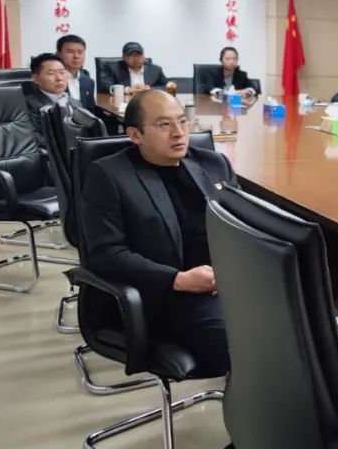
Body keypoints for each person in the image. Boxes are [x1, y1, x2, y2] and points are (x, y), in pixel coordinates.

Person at [80, 89, 237, 377]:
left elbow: (242, 225)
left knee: (310, 323)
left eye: (182, 121)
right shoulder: (108, 175)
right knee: (250, 341)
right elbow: (106, 254)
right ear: (134, 134)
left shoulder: (214, 164)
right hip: (168, 296)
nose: (178, 133)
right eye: (164, 124)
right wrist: (178, 279)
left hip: (229, 284)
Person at [25, 52, 81, 147]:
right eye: (51, 73)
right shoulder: (29, 104)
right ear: (36, 79)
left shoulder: (74, 102)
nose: (59, 78)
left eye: (62, 72)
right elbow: (33, 137)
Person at [101, 41, 168, 94]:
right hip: (125, 103)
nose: (135, 58)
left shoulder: (155, 69)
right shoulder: (113, 68)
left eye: (138, 54)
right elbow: (105, 87)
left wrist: (150, 89)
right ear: (123, 57)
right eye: (131, 55)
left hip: (148, 101)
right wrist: (128, 89)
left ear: (144, 55)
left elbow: (166, 86)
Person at [56, 34, 96, 111]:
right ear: (59, 54)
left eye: (80, 52)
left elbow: (91, 110)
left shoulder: (88, 81)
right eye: (70, 52)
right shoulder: (52, 81)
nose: (76, 56)